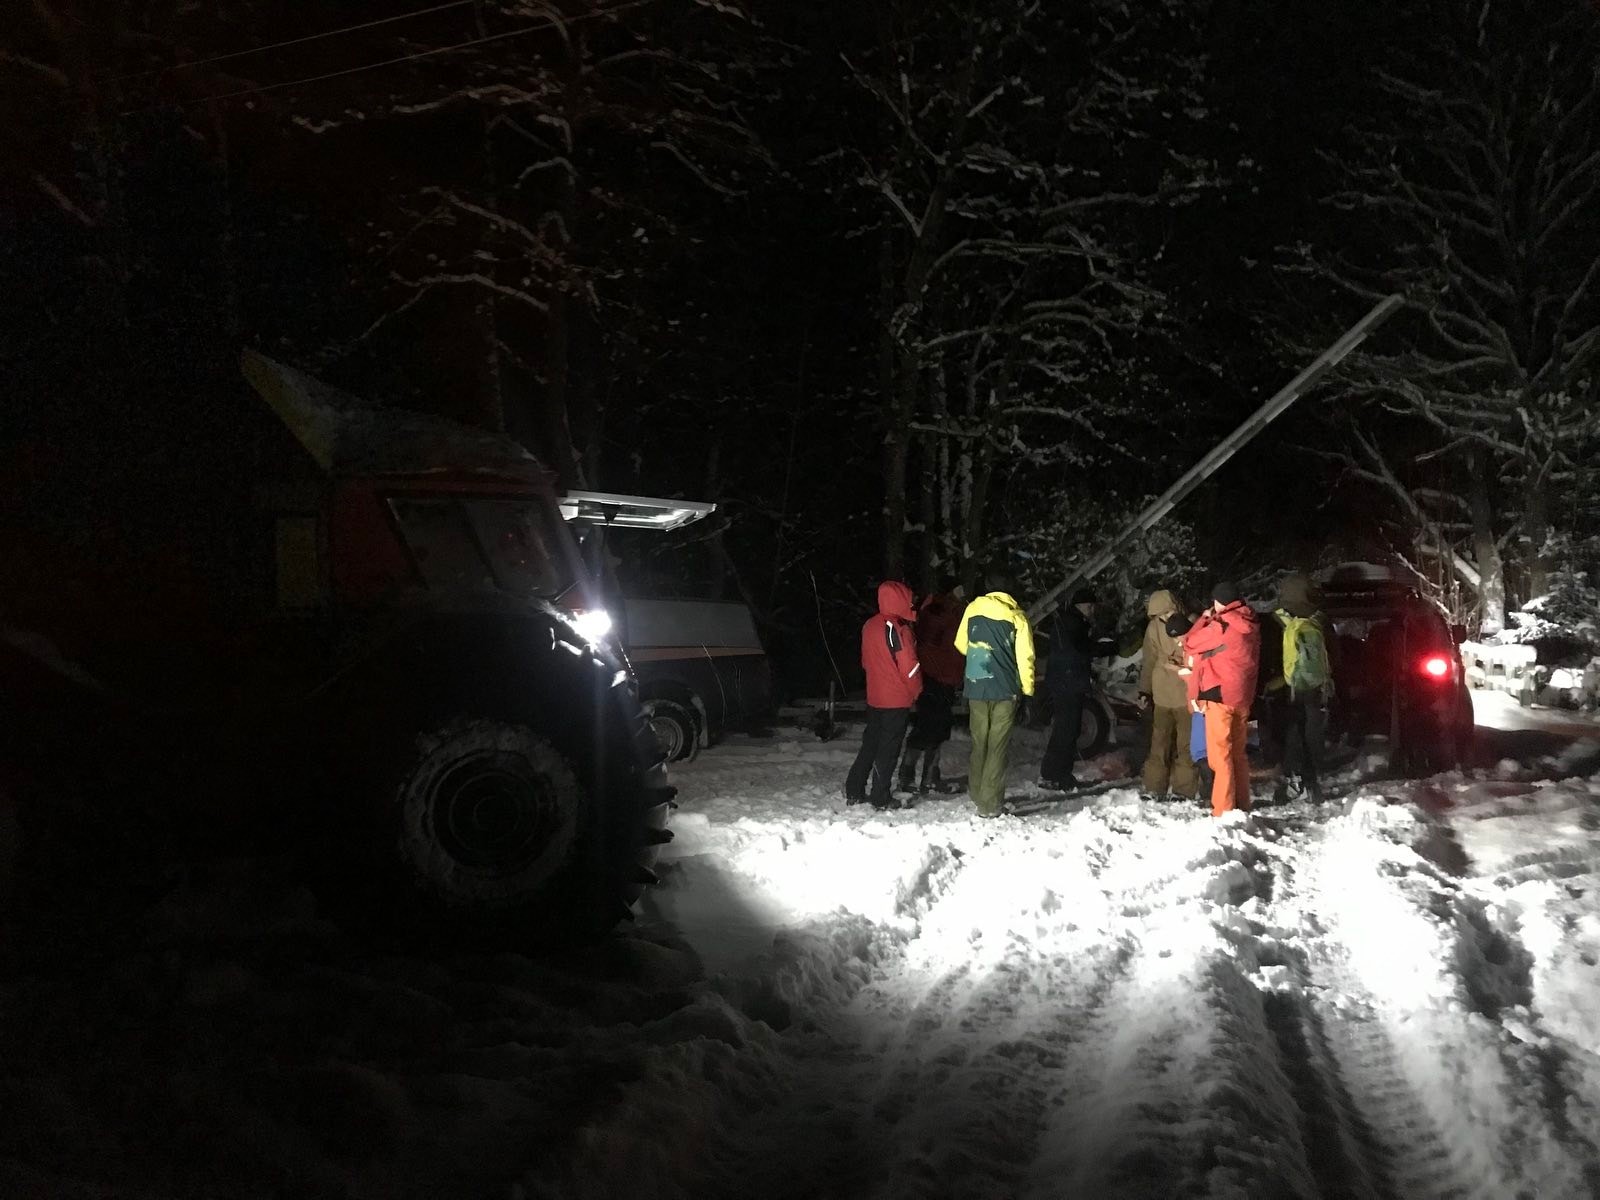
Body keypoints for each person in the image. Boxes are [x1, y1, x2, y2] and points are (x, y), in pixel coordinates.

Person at [955, 577, 1035, 818]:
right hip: (1005, 689)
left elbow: (961, 644)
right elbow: (1025, 657)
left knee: (980, 742)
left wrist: (982, 655)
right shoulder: (1016, 616)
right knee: (997, 746)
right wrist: (1028, 690)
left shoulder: (972, 609)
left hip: (977, 686)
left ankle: (977, 793)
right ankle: (990, 805)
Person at [844, 580, 923, 810]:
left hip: (875, 697)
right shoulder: (898, 628)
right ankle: (880, 797)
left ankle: (855, 789)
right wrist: (916, 692)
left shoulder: (869, 625)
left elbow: (865, 661)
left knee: (870, 744)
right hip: (896, 700)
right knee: (888, 750)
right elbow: (909, 667)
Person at [1184, 582, 1260, 816]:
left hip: (1219, 695)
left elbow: (1190, 643)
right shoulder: (1251, 621)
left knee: (1220, 755)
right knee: (1238, 753)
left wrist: (1204, 619)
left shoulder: (1221, 625)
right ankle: (1242, 803)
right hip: (1243, 695)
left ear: (1219, 602)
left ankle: (1224, 809)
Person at [1269, 572, 1332, 804]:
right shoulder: (1320, 621)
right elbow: (1335, 655)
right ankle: (1312, 782)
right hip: (1315, 688)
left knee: (1289, 733)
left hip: (1284, 688)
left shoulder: (1275, 621)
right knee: (1312, 733)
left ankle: (1288, 779)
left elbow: (1268, 656)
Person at [900, 579, 964, 793]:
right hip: (933, 679)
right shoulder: (935, 613)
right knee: (926, 728)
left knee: (940, 730)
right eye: (957, 592)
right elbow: (930, 646)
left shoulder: (949, 613)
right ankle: (907, 776)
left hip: (947, 679)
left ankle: (930, 775)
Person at [1138, 590, 1198, 802]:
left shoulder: (1193, 623)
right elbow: (1149, 660)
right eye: (1160, 615)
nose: (1166, 618)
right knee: (1159, 742)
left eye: (1169, 611)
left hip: (1186, 695)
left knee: (1186, 744)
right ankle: (1154, 787)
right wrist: (1145, 690)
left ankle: (1183, 789)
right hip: (1162, 695)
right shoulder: (1154, 628)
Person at [1040, 587, 1101, 790]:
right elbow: (1082, 650)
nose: (1092, 610)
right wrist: (1106, 647)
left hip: (1065, 682)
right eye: (1090, 606)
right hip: (1068, 683)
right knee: (1066, 730)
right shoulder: (1074, 624)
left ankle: (1059, 773)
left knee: (1067, 729)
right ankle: (1054, 774)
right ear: (1080, 605)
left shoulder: (1068, 621)